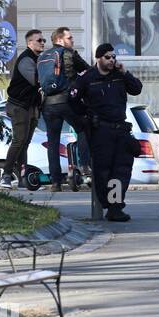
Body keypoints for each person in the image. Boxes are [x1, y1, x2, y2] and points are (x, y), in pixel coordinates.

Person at [72, 44, 144, 222]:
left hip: (120, 130)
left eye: (113, 57)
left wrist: (125, 72)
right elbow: (72, 100)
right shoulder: (87, 78)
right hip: (101, 131)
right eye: (107, 57)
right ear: (99, 58)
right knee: (103, 171)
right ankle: (106, 202)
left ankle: (115, 208)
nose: (112, 60)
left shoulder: (119, 75)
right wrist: (85, 117)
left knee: (121, 171)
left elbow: (136, 89)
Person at [39, 26, 92, 192]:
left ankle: (55, 183)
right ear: (60, 40)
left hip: (48, 104)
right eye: (70, 38)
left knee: (53, 141)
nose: (73, 41)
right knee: (83, 127)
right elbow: (88, 71)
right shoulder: (68, 53)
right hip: (65, 100)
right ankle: (85, 166)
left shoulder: (42, 56)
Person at [2, 28, 45, 187]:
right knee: (19, 141)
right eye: (39, 40)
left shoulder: (37, 58)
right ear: (29, 43)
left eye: (43, 40)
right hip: (19, 106)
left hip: (31, 107)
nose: (42, 43)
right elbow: (36, 79)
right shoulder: (26, 59)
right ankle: (6, 175)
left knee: (25, 143)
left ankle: (22, 179)